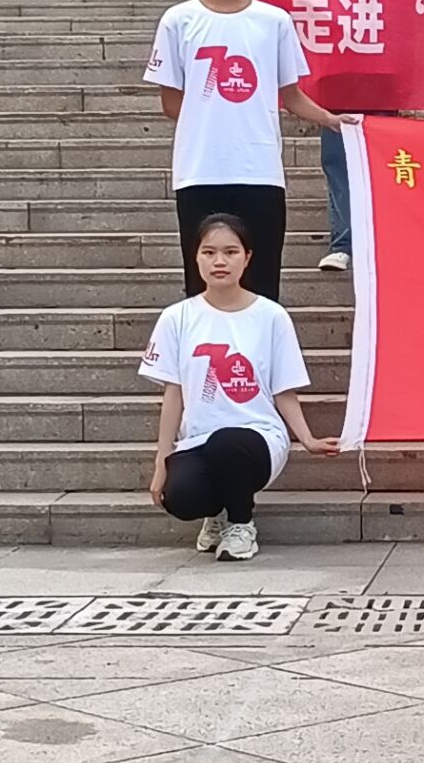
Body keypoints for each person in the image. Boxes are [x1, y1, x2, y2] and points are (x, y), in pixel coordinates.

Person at [145, 0, 353, 303]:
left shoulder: (273, 22)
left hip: (259, 171)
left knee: (262, 286)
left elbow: (291, 95)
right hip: (200, 172)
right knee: (204, 287)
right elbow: (171, 103)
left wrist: (332, 119)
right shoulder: (178, 21)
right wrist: (214, 118)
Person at [142, 214, 340, 562]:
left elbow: (284, 390)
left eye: (230, 252)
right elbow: (173, 393)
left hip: (258, 438)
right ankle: (217, 513)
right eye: (209, 252)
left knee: (228, 442)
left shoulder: (271, 316)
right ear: (195, 257)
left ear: (247, 258)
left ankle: (241, 525)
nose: (219, 261)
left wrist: (307, 438)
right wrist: (162, 461)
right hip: (198, 440)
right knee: (181, 497)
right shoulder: (177, 318)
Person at [318, 0, 387, 273]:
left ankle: (381, 239)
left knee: (382, 159)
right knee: (338, 160)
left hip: (383, 76)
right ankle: (343, 242)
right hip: (336, 74)